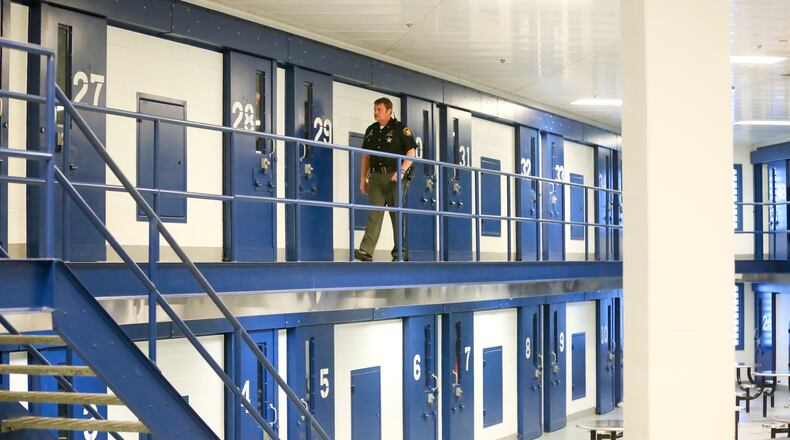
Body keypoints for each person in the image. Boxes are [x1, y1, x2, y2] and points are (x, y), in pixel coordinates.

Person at [354, 97, 416, 261]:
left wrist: (401, 171)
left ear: (389, 111)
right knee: (374, 214)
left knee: (397, 215)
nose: (375, 113)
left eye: (379, 110)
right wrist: (363, 179)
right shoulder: (371, 130)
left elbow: (411, 154)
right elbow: (366, 156)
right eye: (374, 109)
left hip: (395, 176)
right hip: (375, 176)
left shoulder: (401, 129)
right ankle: (366, 251)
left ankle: (400, 253)